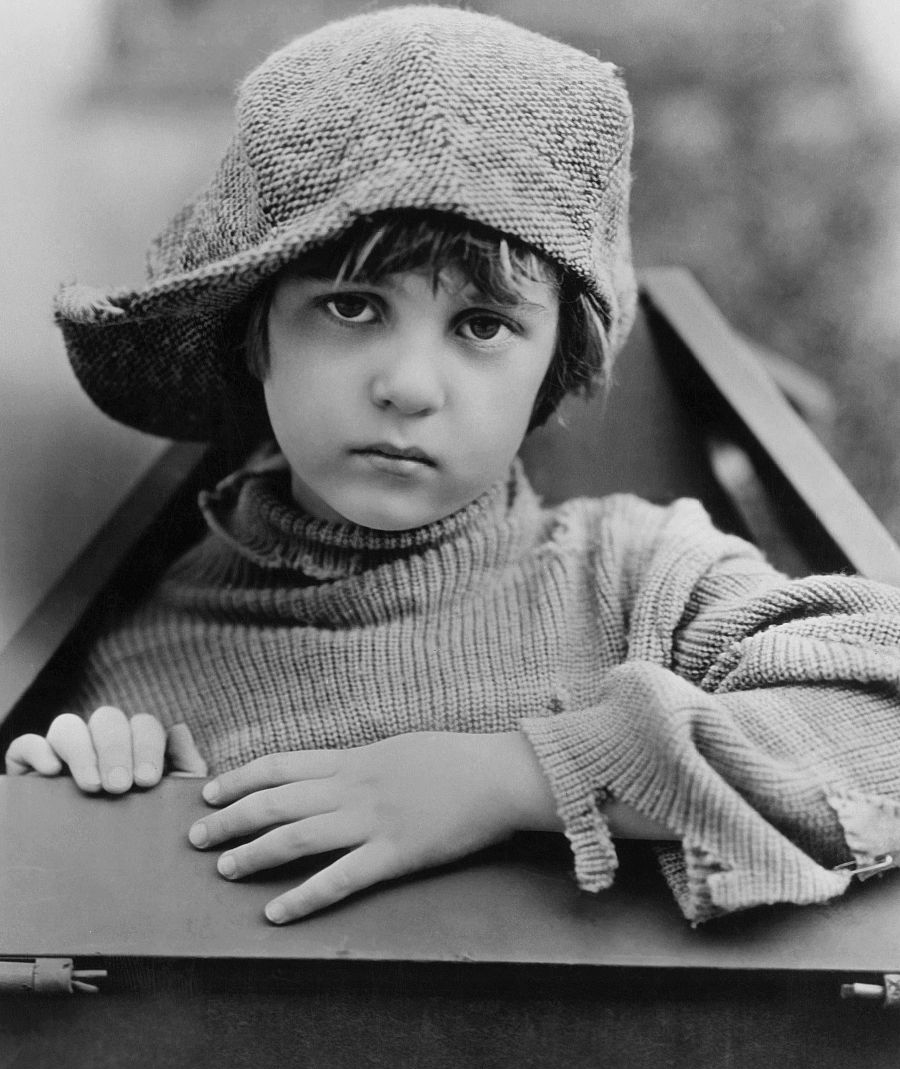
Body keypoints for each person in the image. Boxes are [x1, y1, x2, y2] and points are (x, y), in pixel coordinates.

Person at [6, 5, 900, 927]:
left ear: (553, 370)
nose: (408, 385)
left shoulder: (641, 580)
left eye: (482, 326)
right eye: (353, 308)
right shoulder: (130, 653)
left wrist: (525, 776)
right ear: (252, 331)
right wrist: (100, 812)